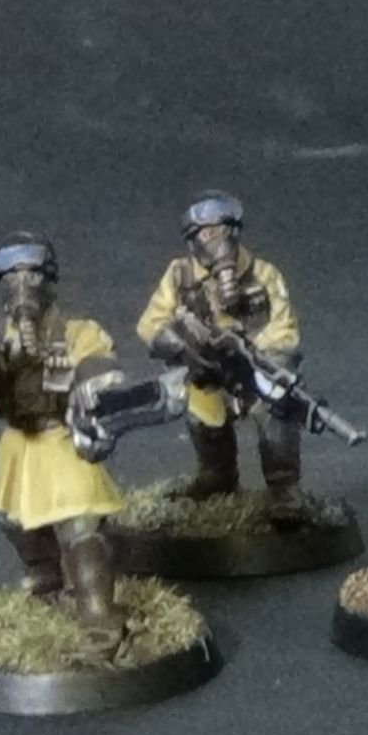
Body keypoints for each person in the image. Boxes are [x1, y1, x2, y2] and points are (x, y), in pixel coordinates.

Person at [0, 233, 132, 653]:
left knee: (81, 526)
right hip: (18, 444)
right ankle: (46, 577)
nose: (22, 284)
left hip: (61, 440)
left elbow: (101, 364)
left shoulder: (75, 332)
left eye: (32, 274)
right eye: (12, 276)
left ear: (49, 279)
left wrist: (92, 383)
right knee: (13, 519)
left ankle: (97, 613)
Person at [136, 190, 304, 508]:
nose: (216, 241)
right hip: (207, 369)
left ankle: (283, 487)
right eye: (206, 233)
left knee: (279, 403)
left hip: (253, 367)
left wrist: (259, 358)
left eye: (222, 230)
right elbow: (150, 323)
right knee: (200, 406)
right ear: (192, 241)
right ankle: (217, 476)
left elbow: (284, 331)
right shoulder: (180, 275)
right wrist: (186, 348)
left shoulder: (263, 274)